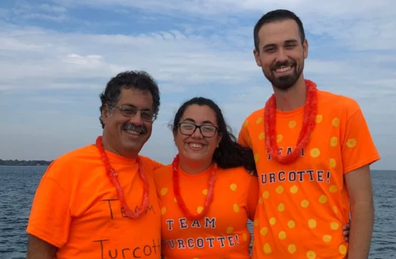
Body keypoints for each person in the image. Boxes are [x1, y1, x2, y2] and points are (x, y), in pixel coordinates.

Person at [238, 9, 380, 259]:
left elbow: (363, 203)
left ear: (305, 48)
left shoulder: (344, 112)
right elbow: (237, 194)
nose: (282, 57)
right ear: (257, 57)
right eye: (270, 49)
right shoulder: (251, 127)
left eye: (290, 45)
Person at [26, 71, 163, 259]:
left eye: (146, 114)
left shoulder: (157, 172)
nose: (138, 121)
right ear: (106, 113)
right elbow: (39, 251)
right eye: (128, 110)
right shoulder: (67, 169)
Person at [153, 97, 259, 258]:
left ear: (218, 139)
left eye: (207, 128)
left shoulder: (244, 177)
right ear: (175, 134)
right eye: (188, 126)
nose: (197, 134)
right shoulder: (154, 180)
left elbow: (273, 227)